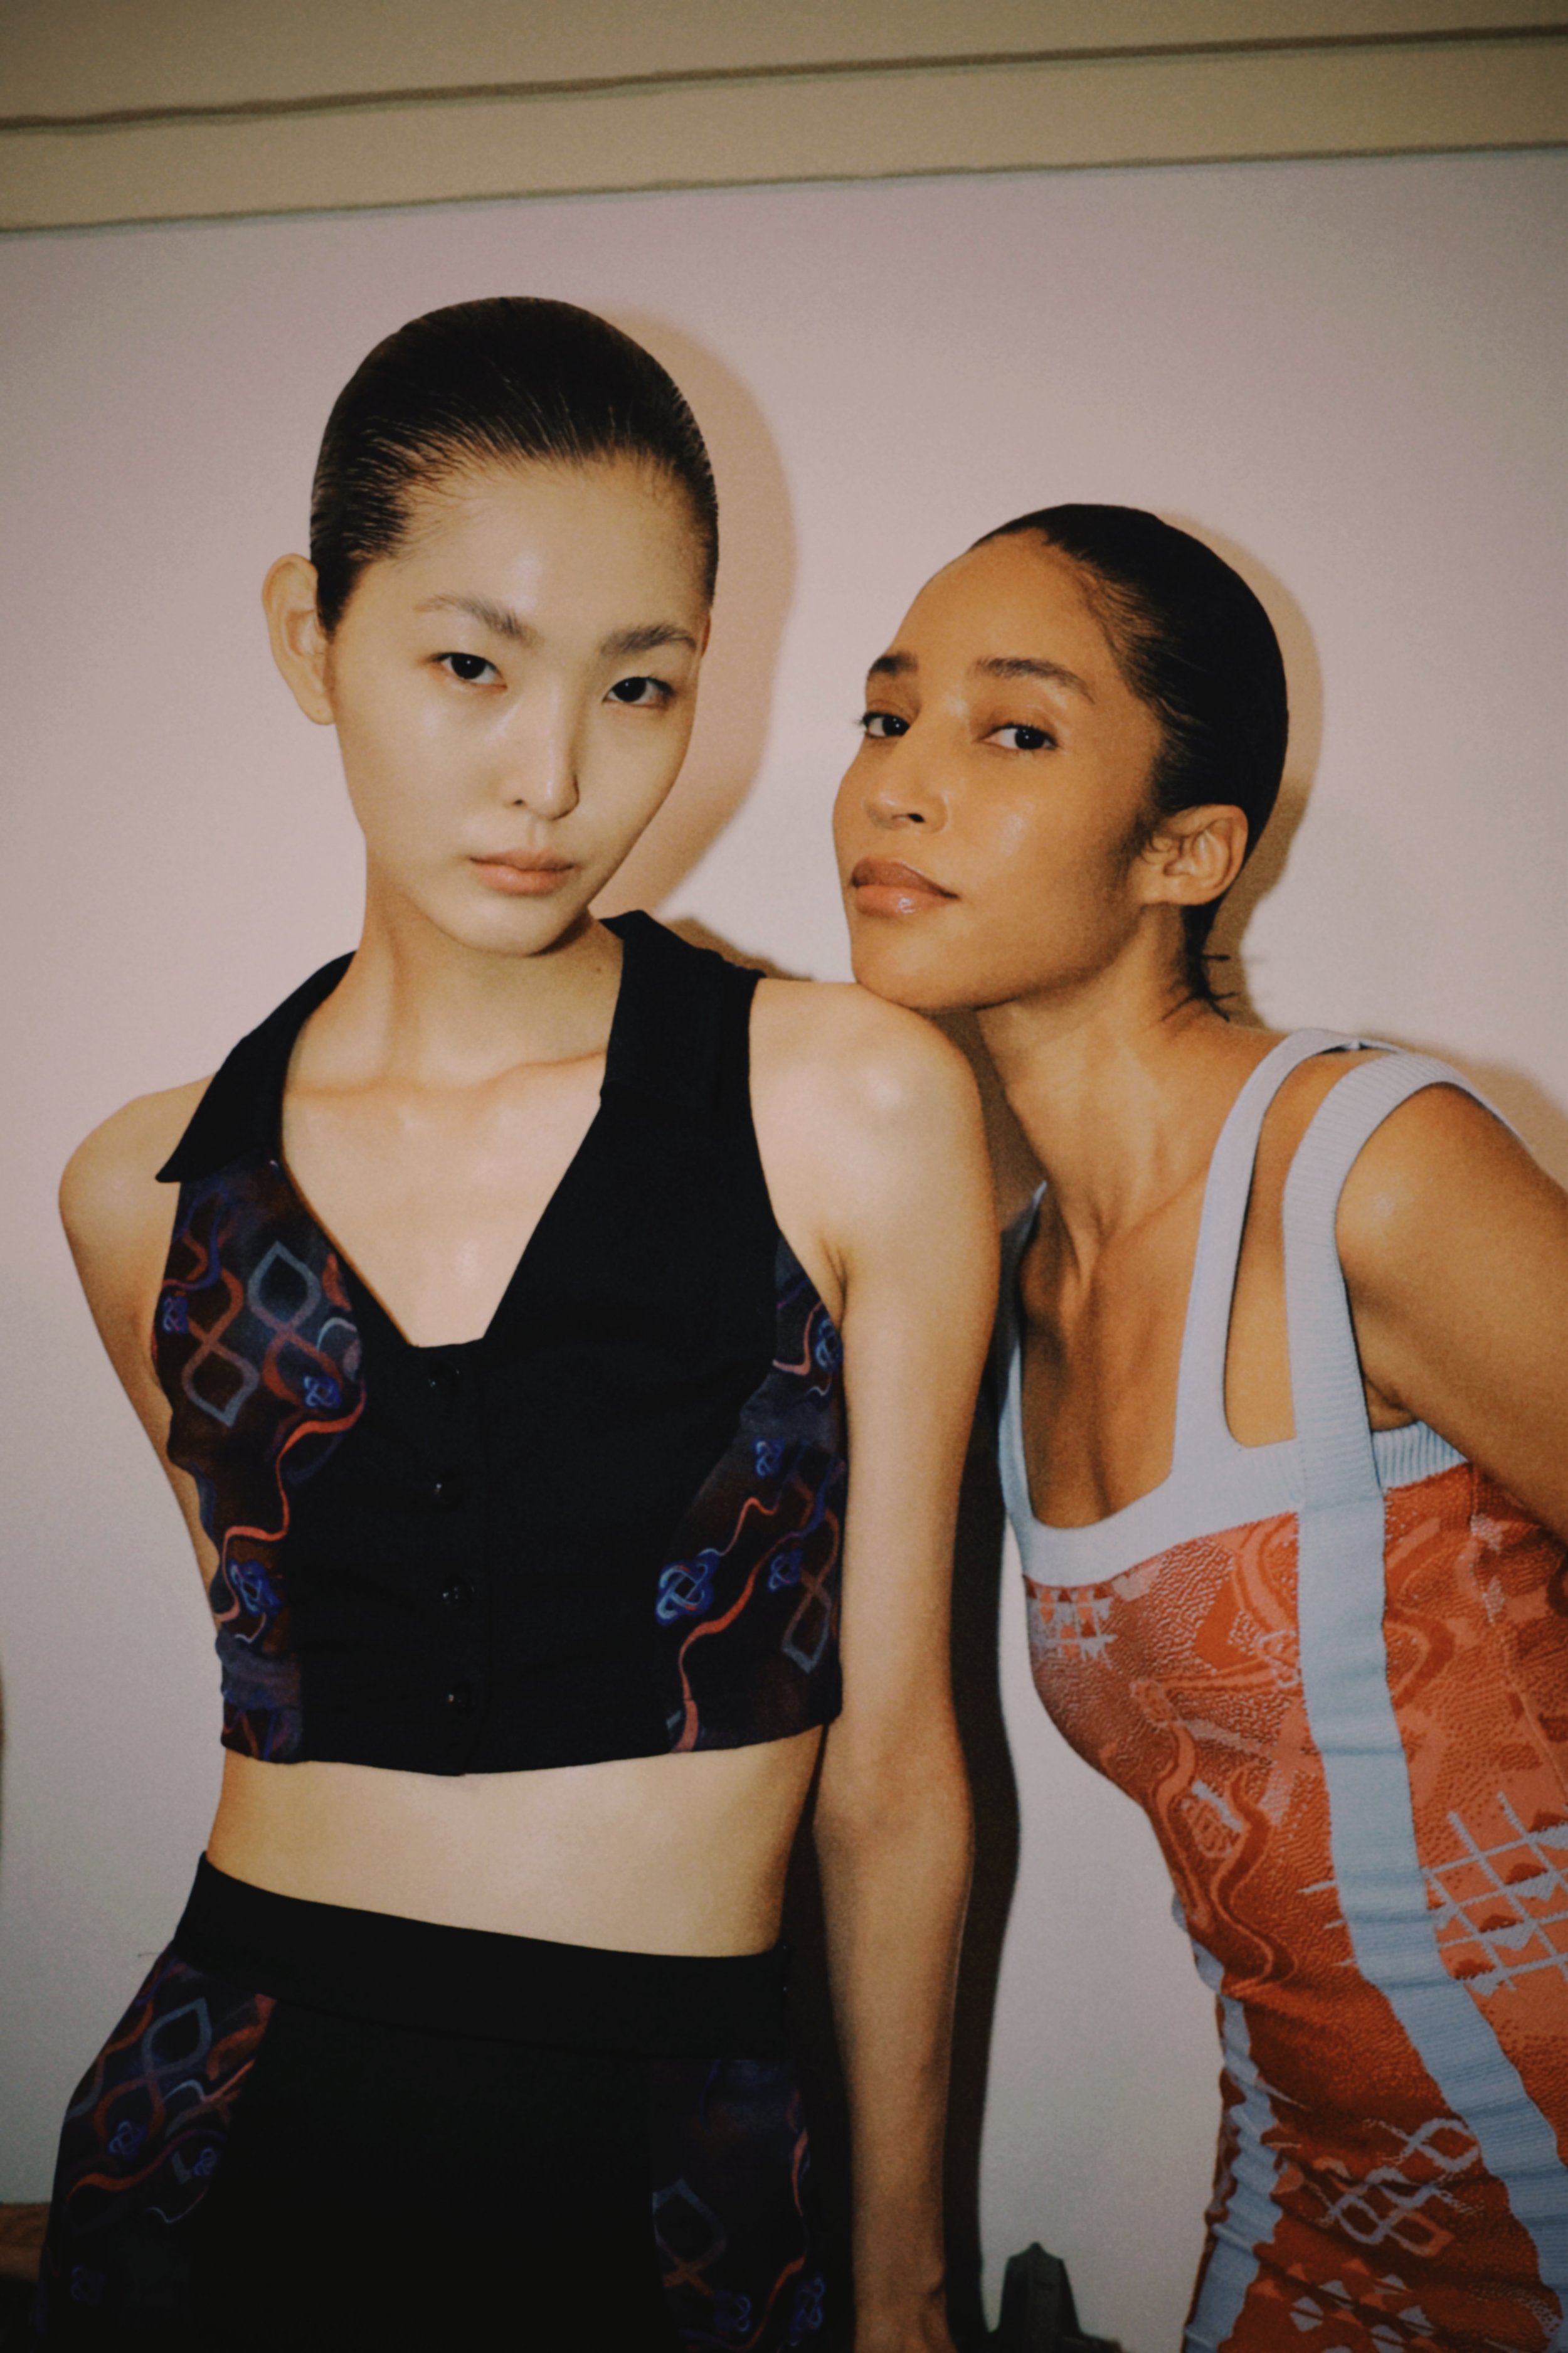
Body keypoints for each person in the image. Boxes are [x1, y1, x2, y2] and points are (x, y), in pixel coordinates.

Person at [36, 298, 995, 2352]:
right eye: (467, 664)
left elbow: (897, 1769)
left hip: (684, 2162)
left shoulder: (849, 1107)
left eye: (638, 687)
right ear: (314, 636)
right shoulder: (141, 1197)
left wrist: (903, 2282)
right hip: (227, 2142)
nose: (553, 776)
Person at [833, 503, 1568, 2353]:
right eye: (882, 718)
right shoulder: (1007, 1291)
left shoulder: (1369, 1172)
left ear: (1186, 848)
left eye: (1011, 732)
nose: (897, 789)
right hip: (1321, 2208)